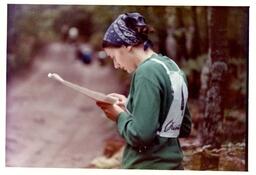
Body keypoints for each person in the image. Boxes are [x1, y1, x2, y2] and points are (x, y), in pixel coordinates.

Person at [96, 12, 192, 170]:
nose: (116, 65)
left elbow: (140, 136)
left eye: (113, 56)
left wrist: (119, 115)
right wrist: (130, 104)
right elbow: (183, 126)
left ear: (127, 46)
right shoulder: (171, 67)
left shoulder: (145, 72)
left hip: (146, 166)